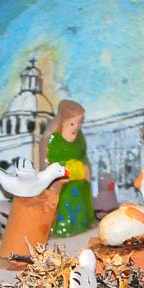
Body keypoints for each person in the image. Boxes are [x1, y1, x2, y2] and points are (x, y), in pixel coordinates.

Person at [42, 99, 96, 237]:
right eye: (72, 123)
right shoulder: (53, 139)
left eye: (79, 123)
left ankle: (82, 224)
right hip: (63, 180)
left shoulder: (79, 136)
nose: (76, 127)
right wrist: (59, 175)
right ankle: (63, 228)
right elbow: (47, 161)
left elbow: (83, 155)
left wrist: (85, 168)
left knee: (82, 199)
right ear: (63, 122)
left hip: (79, 179)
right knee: (65, 201)